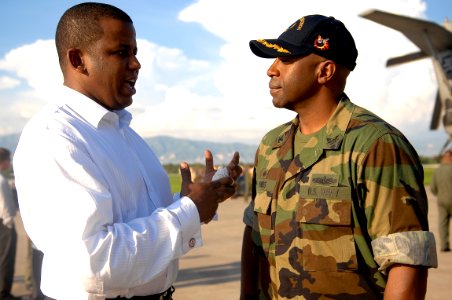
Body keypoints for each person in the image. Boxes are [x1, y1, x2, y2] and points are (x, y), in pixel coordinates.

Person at [13, 3, 241, 300]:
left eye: (135, 53)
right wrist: (190, 210)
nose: (136, 64)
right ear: (78, 59)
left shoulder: (123, 132)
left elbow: (137, 217)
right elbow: (94, 263)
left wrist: (195, 197)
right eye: (122, 52)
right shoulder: (55, 136)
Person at [240, 15, 438, 299]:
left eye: (286, 60)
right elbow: (254, 235)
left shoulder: (375, 145)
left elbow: (406, 262)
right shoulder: (271, 146)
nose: (272, 70)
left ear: (325, 71)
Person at [0, 148, 21, 300]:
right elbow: (5, 206)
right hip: (5, 225)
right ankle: (4, 292)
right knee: (6, 257)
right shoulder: (1, 181)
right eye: (9, 159)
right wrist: (10, 224)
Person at [430, 149, 452, 252]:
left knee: (443, 223)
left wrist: (440, 195)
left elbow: (433, 188)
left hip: (442, 200)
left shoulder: (437, 170)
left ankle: (444, 245)